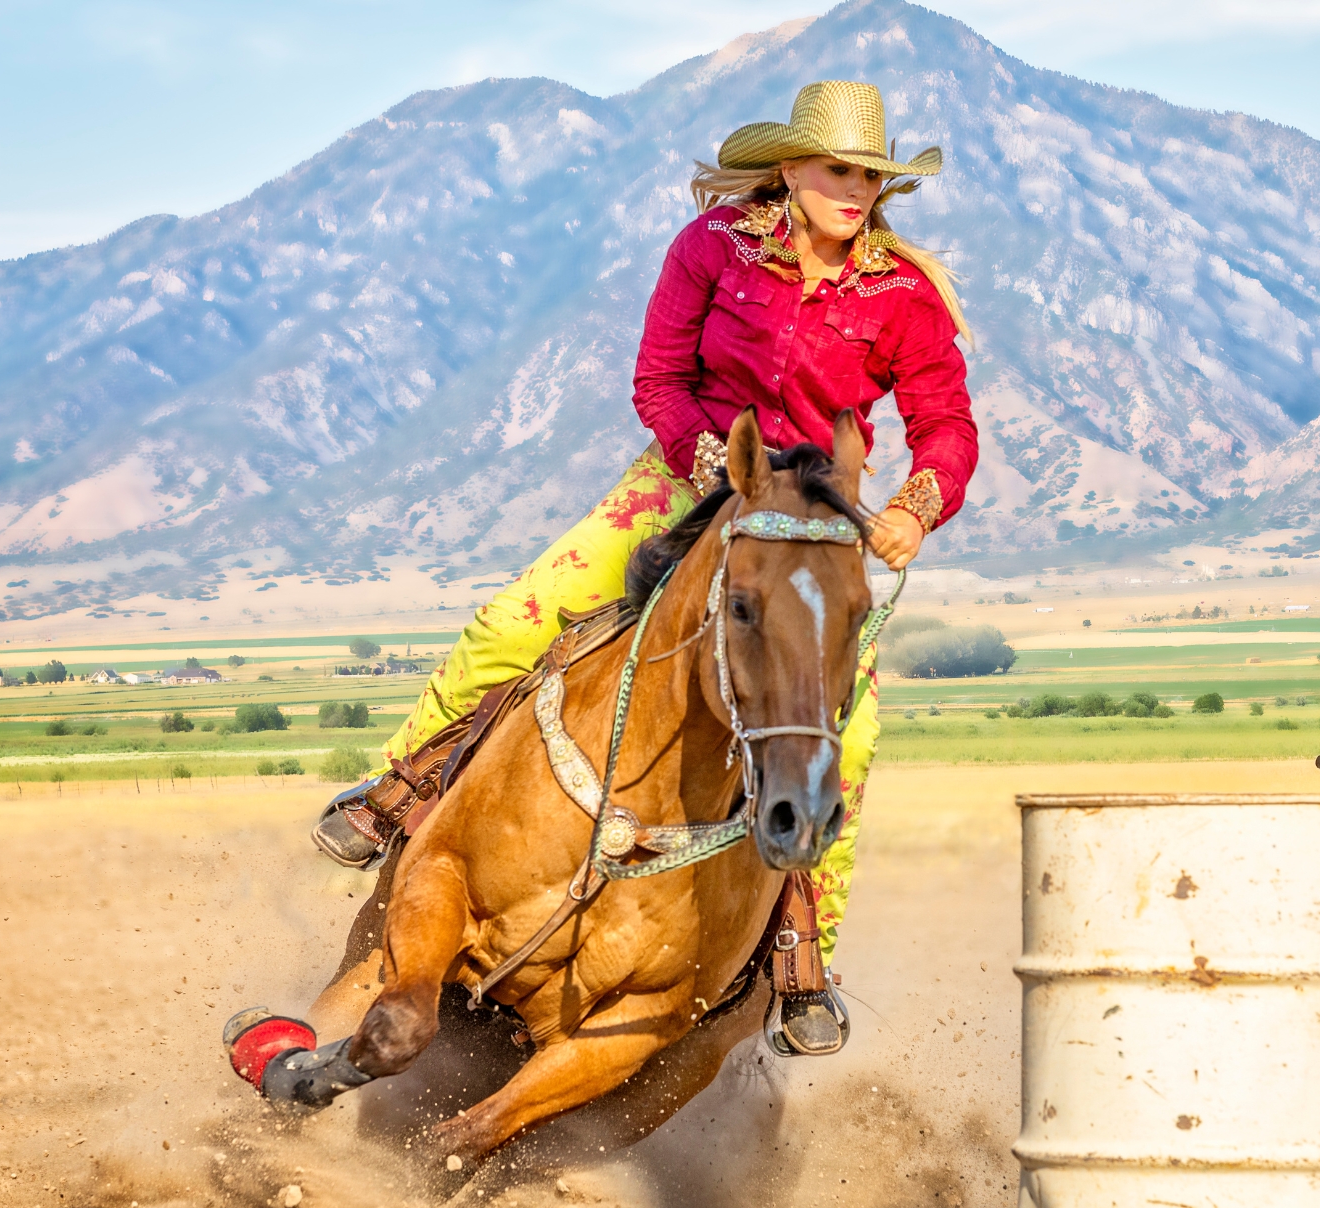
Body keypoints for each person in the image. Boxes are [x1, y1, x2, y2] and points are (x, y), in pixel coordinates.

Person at [309, 80, 979, 1054]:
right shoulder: (709, 250)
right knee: (512, 623)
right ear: (788, 168)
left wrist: (918, 506)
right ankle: (398, 796)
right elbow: (658, 379)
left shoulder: (901, 295)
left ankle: (801, 958)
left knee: (853, 736)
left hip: (816, 518)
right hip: (686, 477)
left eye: (870, 175)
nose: (855, 189)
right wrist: (704, 455)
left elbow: (943, 422)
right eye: (838, 169)